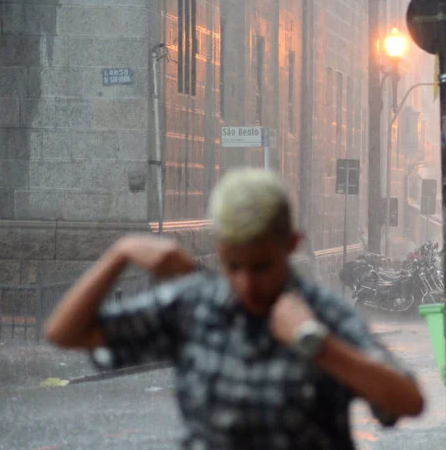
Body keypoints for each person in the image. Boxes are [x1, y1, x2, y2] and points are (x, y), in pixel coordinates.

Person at [45, 168, 424, 450]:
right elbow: (66, 333)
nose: (246, 284)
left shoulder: (322, 314)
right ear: (219, 249)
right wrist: (120, 253)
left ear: (290, 245)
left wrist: (317, 346)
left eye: (261, 266)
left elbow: (408, 400)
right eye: (233, 266)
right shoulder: (194, 304)